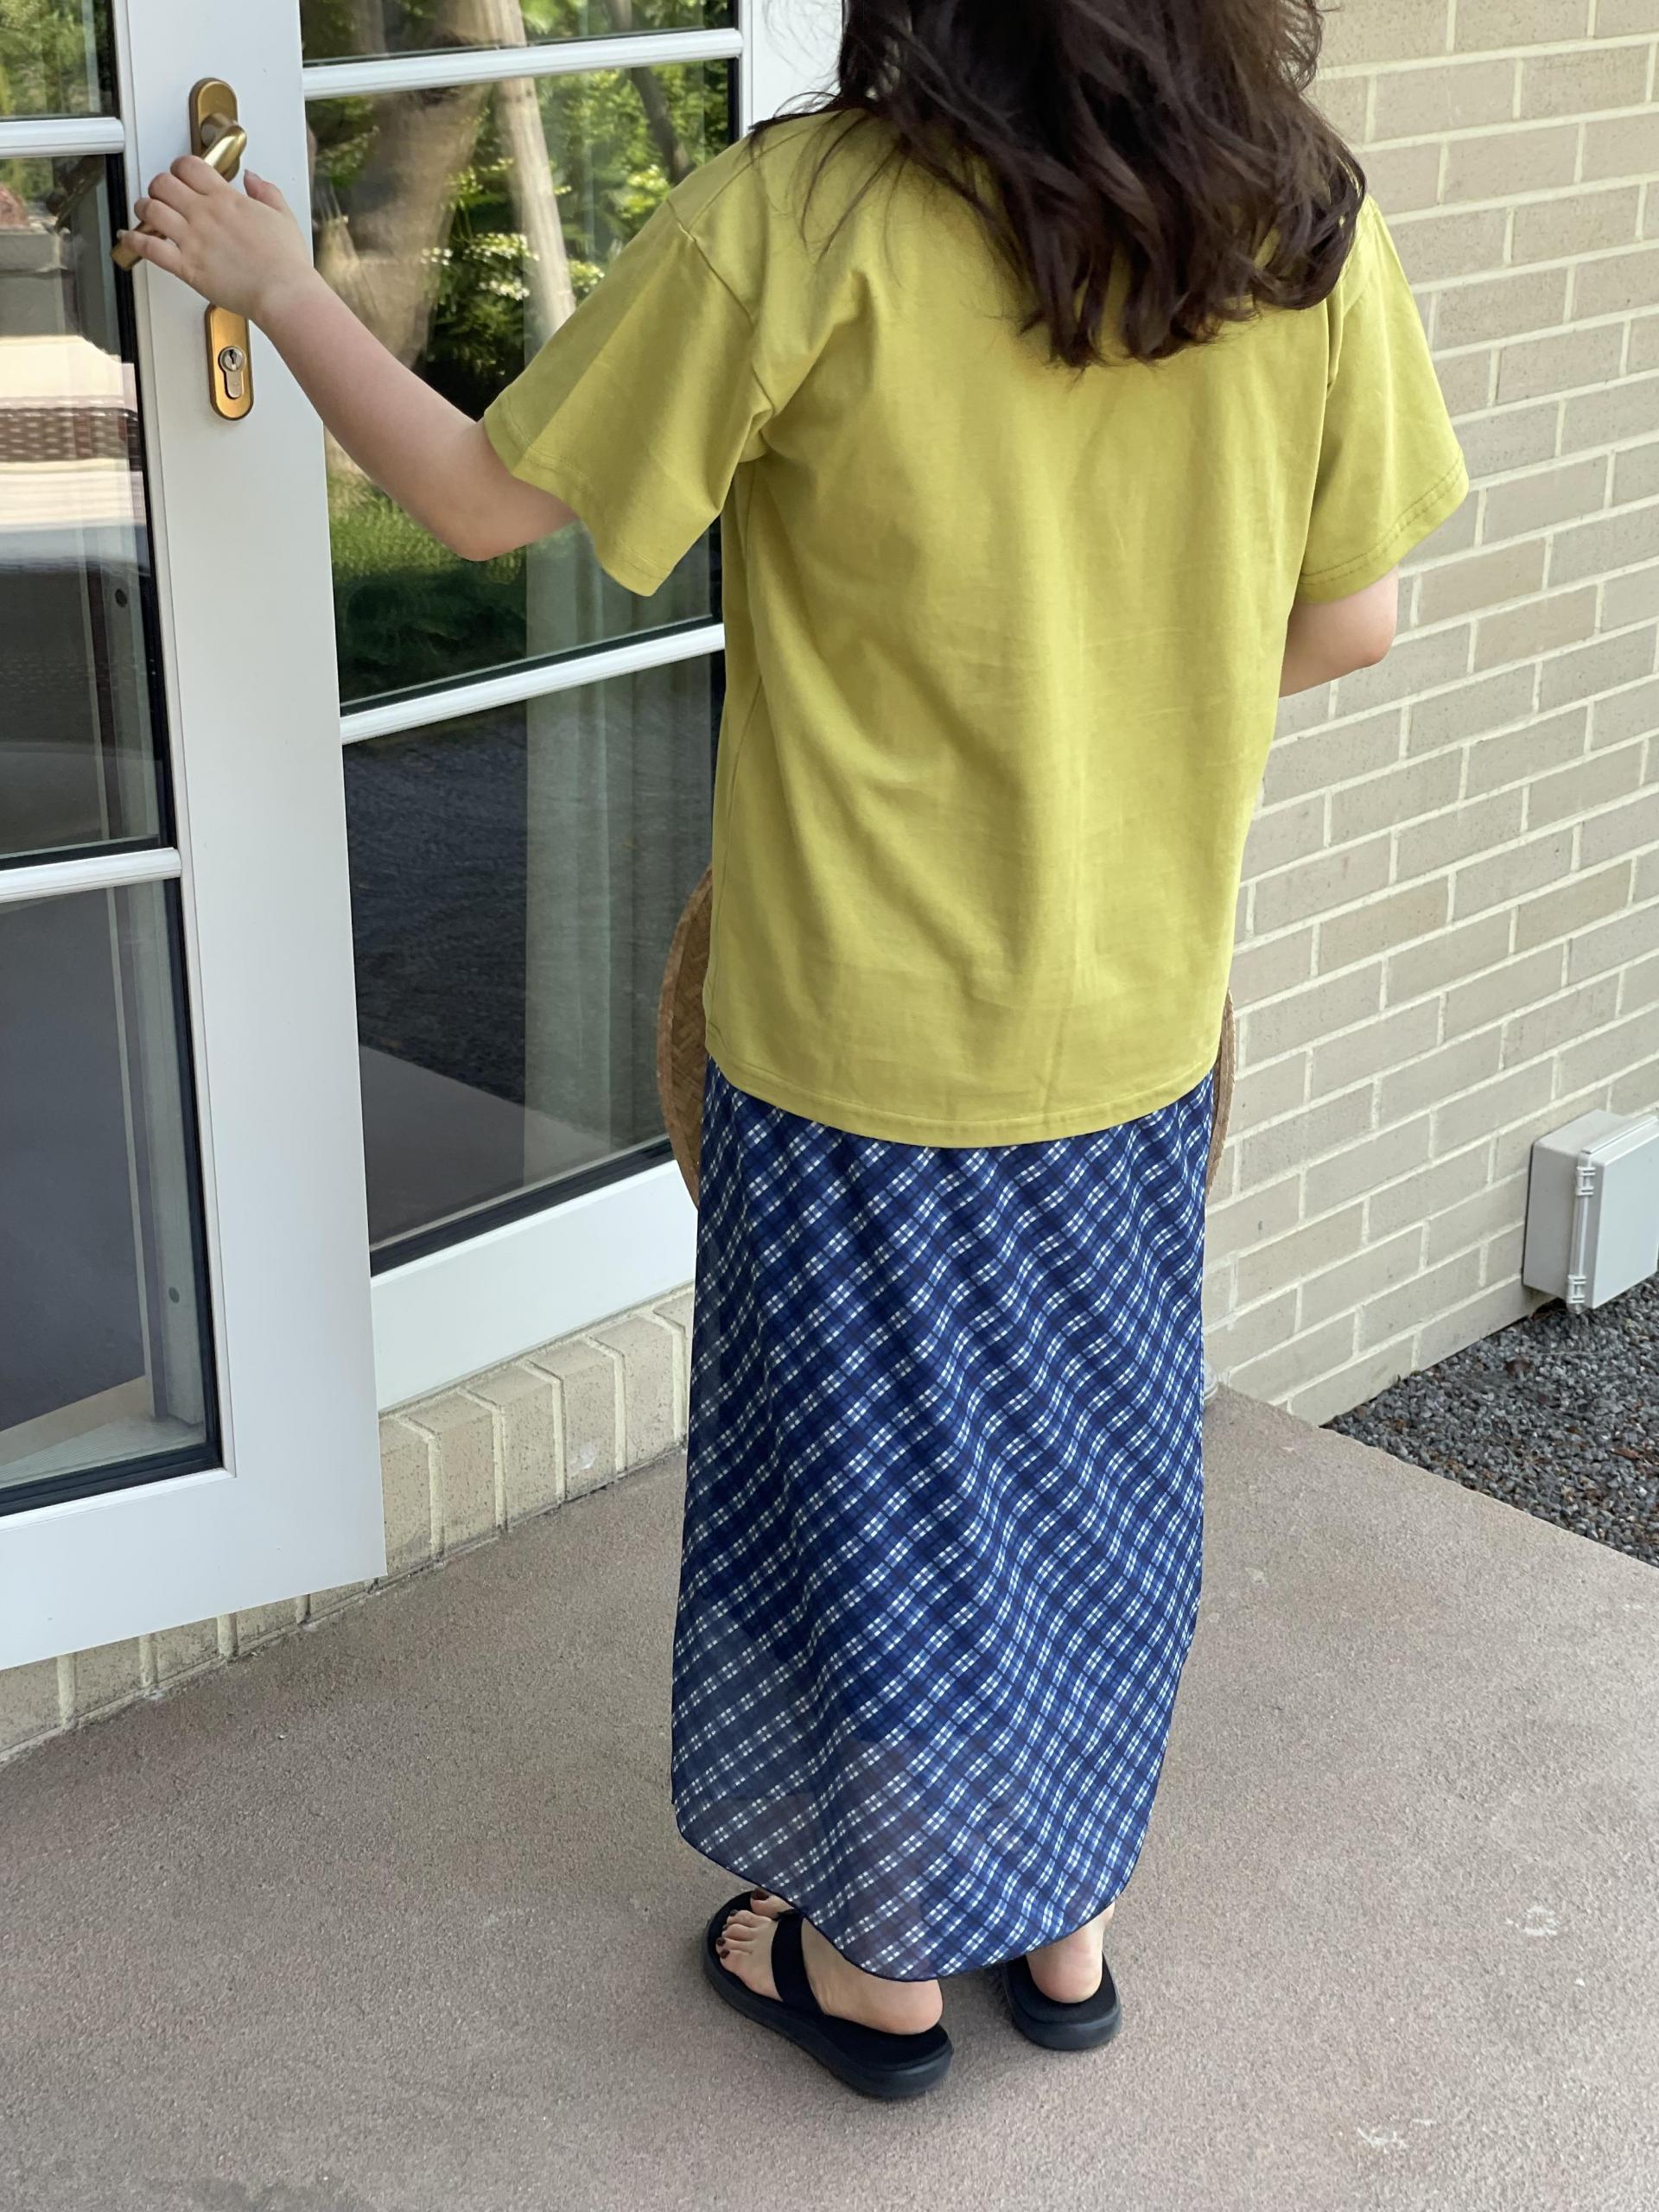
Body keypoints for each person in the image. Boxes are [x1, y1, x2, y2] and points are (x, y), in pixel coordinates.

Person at [118, 0, 1466, 2104]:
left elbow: (473, 501)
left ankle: (873, 1970)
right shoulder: (1295, 219)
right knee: (1091, 1478)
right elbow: (1355, 616)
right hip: (1136, 1023)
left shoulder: (807, 215)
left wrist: (278, 280)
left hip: (858, 1037)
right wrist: (1125, 700)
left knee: (873, 1502)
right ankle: (1065, 1925)